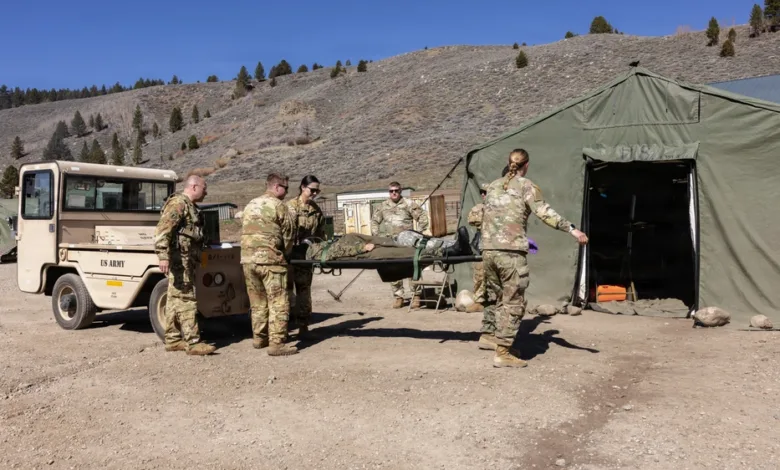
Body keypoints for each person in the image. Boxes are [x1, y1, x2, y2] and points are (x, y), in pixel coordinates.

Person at [480, 149, 589, 368]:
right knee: (513, 303)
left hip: (489, 251)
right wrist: (572, 230)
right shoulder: (526, 186)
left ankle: (496, 339)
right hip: (510, 254)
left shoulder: (493, 186)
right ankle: (503, 353)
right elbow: (544, 212)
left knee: (499, 299)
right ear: (526, 165)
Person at [153, 175, 216, 356]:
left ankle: (173, 339)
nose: (206, 192)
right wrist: (163, 256)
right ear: (194, 187)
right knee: (187, 298)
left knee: (175, 299)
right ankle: (193, 342)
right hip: (179, 260)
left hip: (187, 259)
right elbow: (163, 230)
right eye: (204, 188)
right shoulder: (178, 204)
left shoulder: (190, 206)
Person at [240, 173, 298, 356]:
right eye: (285, 188)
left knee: (257, 302)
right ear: (276, 187)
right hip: (270, 260)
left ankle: (259, 338)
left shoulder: (251, 204)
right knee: (279, 301)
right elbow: (288, 235)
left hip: (248, 260)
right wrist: (285, 254)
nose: (286, 192)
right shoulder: (278, 205)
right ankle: (277, 343)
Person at [370, 182, 430, 309]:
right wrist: (377, 237)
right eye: (391, 191)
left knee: (412, 268)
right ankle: (398, 297)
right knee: (393, 269)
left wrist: (419, 234)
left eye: (396, 190)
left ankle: (416, 296)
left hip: (408, 242)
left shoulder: (408, 204)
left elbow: (423, 217)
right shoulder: (383, 206)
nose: (394, 193)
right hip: (391, 243)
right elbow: (374, 221)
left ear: (400, 191)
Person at [286, 175, 325, 339]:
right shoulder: (290, 206)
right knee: (285, 292)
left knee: (304, 291)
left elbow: (320, 234)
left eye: (317, 191)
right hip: (289, 255)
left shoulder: (315, 209)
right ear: (303, 187)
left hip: (305, 256)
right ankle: (282, 329)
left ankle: (303, 326)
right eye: (312, 190)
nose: (315, 193)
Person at [294, 226, 472, 262]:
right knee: (400, 253)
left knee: (398, 241)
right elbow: (332, 253)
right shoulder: (308, 253)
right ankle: (448, 252)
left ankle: (454, 244)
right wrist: (360, 248)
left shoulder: (310, 245)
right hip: (358, 251)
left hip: (350, 241)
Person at [466, 183, 489, 313]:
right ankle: (479, 301)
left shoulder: (502, 207)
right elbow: (471, 220)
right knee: (479, 274)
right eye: (482, 192)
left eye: (486, 192)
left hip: (498, 246)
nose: (483, 195)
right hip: (482, 245)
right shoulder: (479, 208)